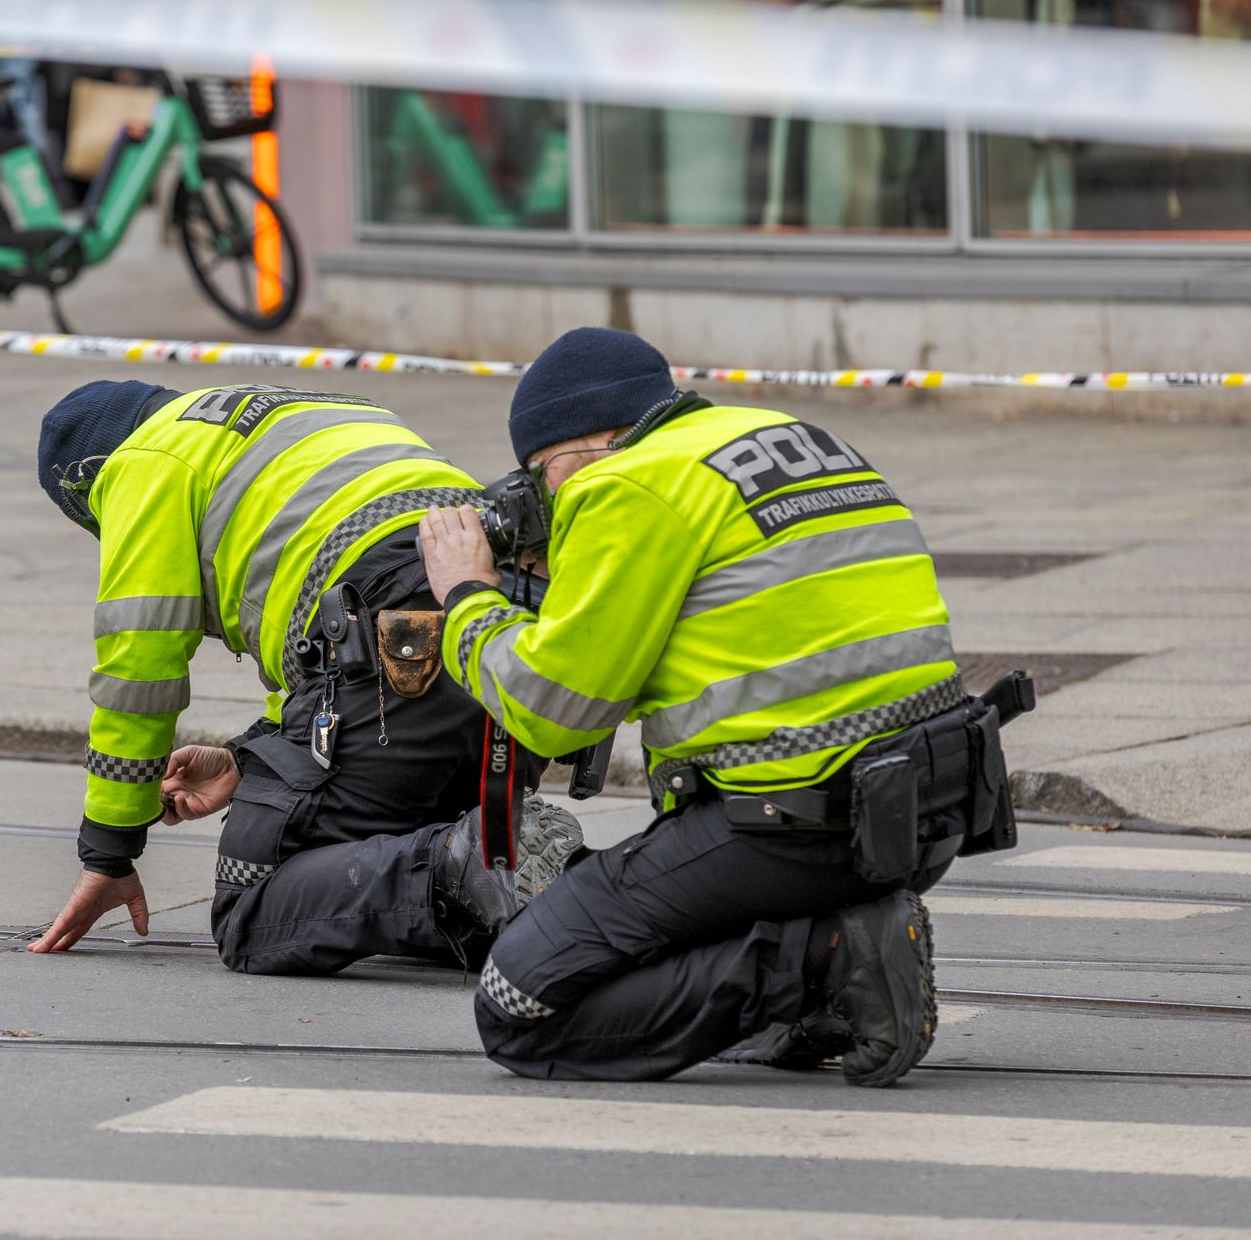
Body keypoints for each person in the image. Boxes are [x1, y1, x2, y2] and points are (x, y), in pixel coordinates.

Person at [418, 327, 1017, 1087]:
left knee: (517, 1002)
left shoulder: (626, 482)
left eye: (541, 479)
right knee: (651, 902)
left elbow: (556, 711)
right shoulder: (789, 437)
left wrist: (470, 595)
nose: (544, 503)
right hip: (929, 809)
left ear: (585, 447)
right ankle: (823, 974)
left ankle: (831, 957)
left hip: (804, 827)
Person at [26, 380, 582, 974]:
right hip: (496, 614)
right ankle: (567, 898)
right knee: (401, 880)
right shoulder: (300, 413)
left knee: (255, 910)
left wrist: (109, 848)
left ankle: (470, 858)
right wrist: (247, 758)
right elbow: (309, 644)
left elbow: (139, 668)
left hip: (388, 627)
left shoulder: (145, 459)